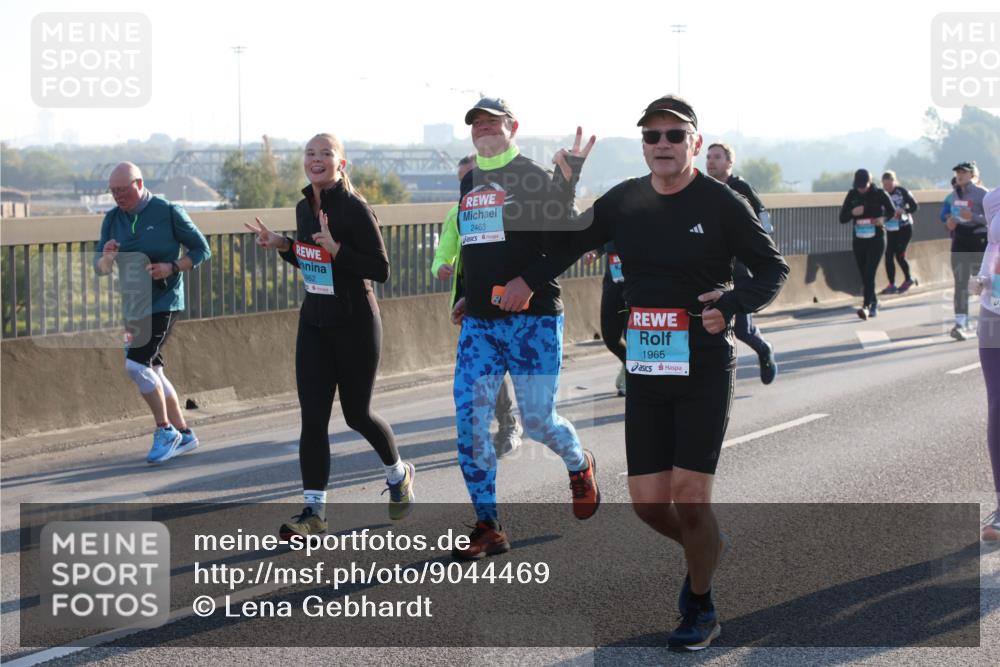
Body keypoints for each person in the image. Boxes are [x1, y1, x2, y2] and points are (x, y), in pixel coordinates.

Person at [538, 94, 788, 650]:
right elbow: (563, 243)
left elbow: (772, 269)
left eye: (675, 135)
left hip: (703, 363)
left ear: (694, 143)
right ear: (643, 145)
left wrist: (733, 301)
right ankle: (706, 548)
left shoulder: (722, 203)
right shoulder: (624, 200)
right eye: (652, 136)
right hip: (647, 367)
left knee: (690, 495)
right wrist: (562, 187)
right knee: (649, 504)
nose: (663, 144)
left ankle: (700, 603)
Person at [449, 97, 600, 560]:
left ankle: (579, 463)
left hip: (534, 321)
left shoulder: (533, 177)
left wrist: (527, 282)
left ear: (513, 128)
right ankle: (488, 525)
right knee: (470, 425)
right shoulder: (470, 181)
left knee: (537, 422)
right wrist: (466, 293)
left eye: (493, 122)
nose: (483, 127)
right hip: (481, 325)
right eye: (476, 123)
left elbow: (565, 242)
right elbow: (474, 244)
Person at [244, 133, 413, 537]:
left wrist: (339, 249)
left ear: (341, 163)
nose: (316, 159)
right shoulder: (304, 207)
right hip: (315, 323)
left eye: (325, 153)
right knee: (313, 419)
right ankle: (314, 512)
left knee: (357, 415)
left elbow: (381, 269)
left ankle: (398, 473)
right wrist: (283, 244)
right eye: (310, 153)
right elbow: (312, 261)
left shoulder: (355, 208)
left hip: (356, 323)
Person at [94, 162, 211, 464]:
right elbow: (100, 268)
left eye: (123, 190)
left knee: (136, 365)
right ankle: (184, 433)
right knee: (154, 370)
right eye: (113, 191)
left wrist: (172, 267)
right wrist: (107, 258)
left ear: (139, 183)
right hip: (133, 306)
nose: (118, 196)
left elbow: (201, 250)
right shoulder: (112, 218)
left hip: (164, 302)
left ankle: (165, 430)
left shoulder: (168, 211)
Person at [431, 154, 522, 457]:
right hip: (473, 304)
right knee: (487, 370)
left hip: (512, 301)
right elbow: (443, 251)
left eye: (472, 177)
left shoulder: (509, 205)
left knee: (505, 368)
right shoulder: (457, 212)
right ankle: (505, 426)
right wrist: (441, 267)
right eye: (463, 181)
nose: (468, 185)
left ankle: (520, 422)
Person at [705, 143, 778, 384]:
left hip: (740, 269)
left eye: (717, 157)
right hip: (713, 269)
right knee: (707, 324)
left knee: (742, 330)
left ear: (729, 162)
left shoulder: (741, 188)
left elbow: (765, 222)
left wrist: (757, 248)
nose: (711, 161)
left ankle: (764, 349)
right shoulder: (704, 189)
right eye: (708, 157)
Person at [970, 187, 1000, 541]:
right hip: (995, 311)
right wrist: (982, 279)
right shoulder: (993, 199)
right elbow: (994, 247)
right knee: (998, 404)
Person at [839, 169, 895, 320]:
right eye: (859, 186)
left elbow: (891, 211)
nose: (861, 189)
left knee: (870, 273)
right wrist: (853, 213)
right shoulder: (852, 195)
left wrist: (883, 219)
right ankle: (874, 301)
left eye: (863, 186)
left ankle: (866, 306)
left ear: (870, 182)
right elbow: (842, 218)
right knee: (864, 275)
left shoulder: (880, 194)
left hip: (876, 239)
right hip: (859, 240)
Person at [944, 161, 989, 341]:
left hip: (979, 240)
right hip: (960, 239)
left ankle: (993, 316)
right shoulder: (954, 194)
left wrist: (974, 217)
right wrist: (950, 222)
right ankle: (960, 324)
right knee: (960, 283)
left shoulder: (983, 193)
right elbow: (953, 215)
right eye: (957, 173)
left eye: (963, 172)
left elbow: (993, 220)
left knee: (985, 284)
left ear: (972, 175)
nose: (959, 175)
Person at [583, 243, 628, 396]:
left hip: (636, 284)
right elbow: (602, 238)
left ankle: (634, 375)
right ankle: (628, 363)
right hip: (613, 283)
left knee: (633, 336)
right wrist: (595, 252)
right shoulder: (611, 225)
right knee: (610, 337)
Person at [879, 171, 919, 294]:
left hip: (904, 227)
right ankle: (891, 284)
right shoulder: (881, 194)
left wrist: (904, 210)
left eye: (889, 184)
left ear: (894, 182)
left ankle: (908, 279)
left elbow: (915, 206)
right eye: (885, 185)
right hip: (891, 228)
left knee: (899, 254)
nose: (887, 187)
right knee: (888, 255)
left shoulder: (902, 191)